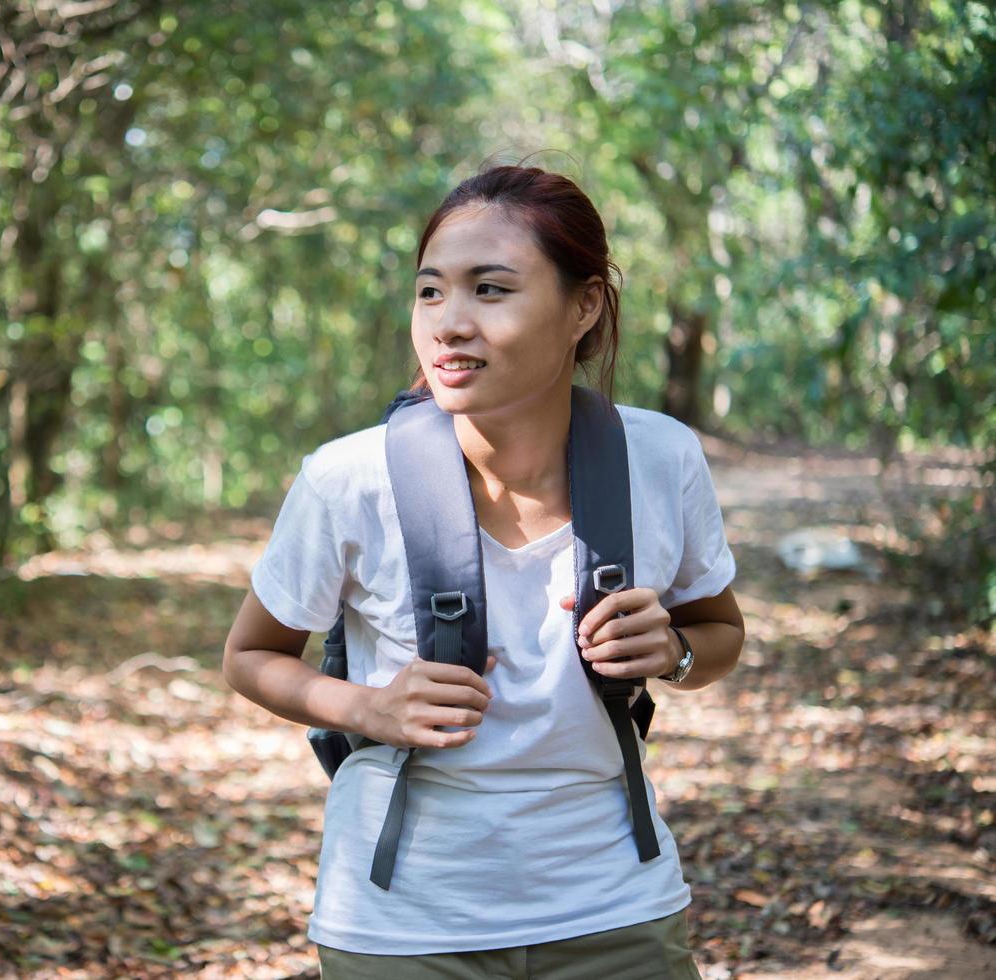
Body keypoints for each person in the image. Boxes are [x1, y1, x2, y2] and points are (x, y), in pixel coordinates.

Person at [222, 163, 746, 979]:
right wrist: (370, 706)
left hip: (616, 907)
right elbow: (249, 656)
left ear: (584, 306)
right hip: (401, 924)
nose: (447, 323)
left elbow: (719, 633)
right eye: (430, 293)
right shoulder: (347, 479)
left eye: (489, 290)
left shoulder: (661, 458)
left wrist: (670, 650)